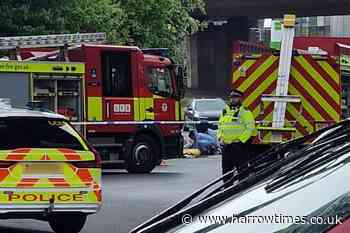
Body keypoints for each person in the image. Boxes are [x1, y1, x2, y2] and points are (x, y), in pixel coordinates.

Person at [217, 89, 256, 187]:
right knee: (226, 170)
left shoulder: (245, 111)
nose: (233, 100)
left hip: (238, 146)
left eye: (236, 97)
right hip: (226, 146)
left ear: (240, 99)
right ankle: (227, 188)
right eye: (232, 98)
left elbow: (250, 128)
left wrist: (240, 140)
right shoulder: (225, 111)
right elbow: (220, 126)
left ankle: (242, 188)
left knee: (242, 169)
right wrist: (220, 138)